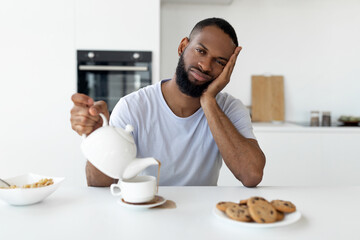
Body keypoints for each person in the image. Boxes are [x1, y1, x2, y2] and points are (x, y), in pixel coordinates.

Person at [70, 17, 266, 187]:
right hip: (142, 212)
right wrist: (99, 137)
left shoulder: (229, 109)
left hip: (201, 218)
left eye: (220, 62)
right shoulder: (132, 106)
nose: (205, 65)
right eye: (200, 51)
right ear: (182, 46)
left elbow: (251, 175)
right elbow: (98, 184)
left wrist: (208, 101)